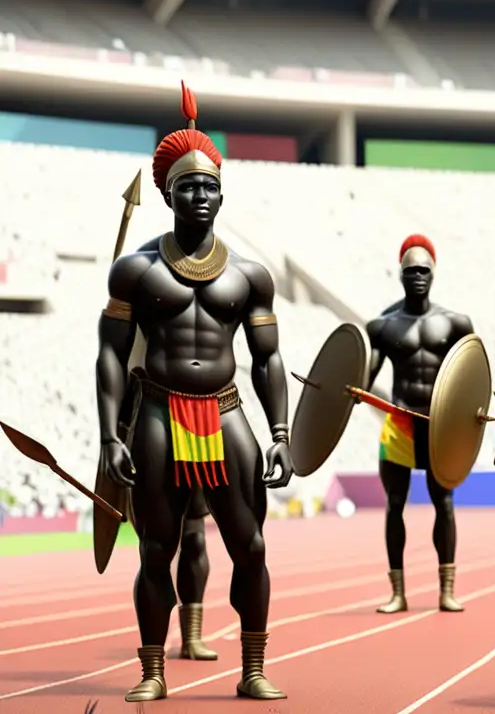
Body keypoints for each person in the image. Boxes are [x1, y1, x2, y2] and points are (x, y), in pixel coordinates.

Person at [96, 83, 292, 702]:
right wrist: (109, 435)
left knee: (251, 545)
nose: (200, 196)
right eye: (188, 186)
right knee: (157, 547)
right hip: (156, 412)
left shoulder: (249, 277)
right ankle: (153, 670)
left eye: (209, 186)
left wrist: (281, 433)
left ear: (221, 193)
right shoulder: (136, 270)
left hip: (226, 412)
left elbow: (268, 359)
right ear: (166, 192)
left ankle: (254, 666)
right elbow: (108, 352)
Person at [365, 235, 474, 614]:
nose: (417, 276)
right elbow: (364, 376)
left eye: (423, 270)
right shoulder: (383, 326)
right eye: (410, 270)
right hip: (399, 421)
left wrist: (470, 419)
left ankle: (447, 590)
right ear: (400, 273)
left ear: (434, 272)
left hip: (439, 425)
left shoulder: (455, 323)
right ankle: (398, 592)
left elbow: (471, 375)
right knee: (395, 505)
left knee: (443, 503)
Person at [175, 492, 217, 660]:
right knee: (155, 551)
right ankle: (151, 661)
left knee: (195, 541)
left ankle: (192, 639)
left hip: (193, 469)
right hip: (154, 470)